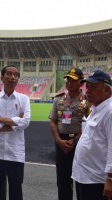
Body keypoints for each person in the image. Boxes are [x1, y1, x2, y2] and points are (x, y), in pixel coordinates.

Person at [72, 70, 112, 200]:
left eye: (94, 88)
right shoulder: (96, 110)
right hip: (86, 178)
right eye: (88, 87)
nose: (88, 91)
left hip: (99, 182)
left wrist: (111, 179)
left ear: (107, 91)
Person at [0, 65, 31, 200]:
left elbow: (26, 122)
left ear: (18, 79)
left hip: (15, 153)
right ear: (2, 78)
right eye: (9, 74)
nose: (12, 77)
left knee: (16, 191)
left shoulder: (24, 99)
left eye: (16, 75)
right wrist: (16, 123)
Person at [49, 67, 88, 200]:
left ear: (81, 83)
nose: (69, 83)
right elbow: (53, 121)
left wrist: (75, 140)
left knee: (81, 179)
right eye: (68, 80)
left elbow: (90, 124)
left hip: (80, 141)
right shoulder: (58, 99)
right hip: (61, 141)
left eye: (73, 81)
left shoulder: (87, 101)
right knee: (62, 179)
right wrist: (58, 140)